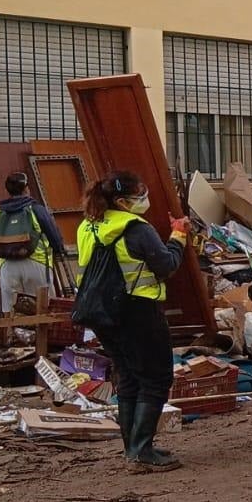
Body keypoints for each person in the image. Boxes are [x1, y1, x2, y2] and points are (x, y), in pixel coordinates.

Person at [77, 171, 188, 473]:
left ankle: (133, 448)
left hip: (101, 312)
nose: (145, 200)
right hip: (138, 309)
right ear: (123, 201)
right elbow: (166, 265)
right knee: (154, 378)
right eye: (141, 195)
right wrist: (178, 237)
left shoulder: (89, 225)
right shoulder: (136, 228)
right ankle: (142, 450)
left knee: (127, 375)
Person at [0, 171, 68, 313]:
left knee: (12, 315)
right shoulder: (36, 210)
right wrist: (59, 250)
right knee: (44, 311)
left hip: (7, 268)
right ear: (26, 188)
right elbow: (54, 237)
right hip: (36, 264)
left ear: (7, 190)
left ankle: (13, 335)